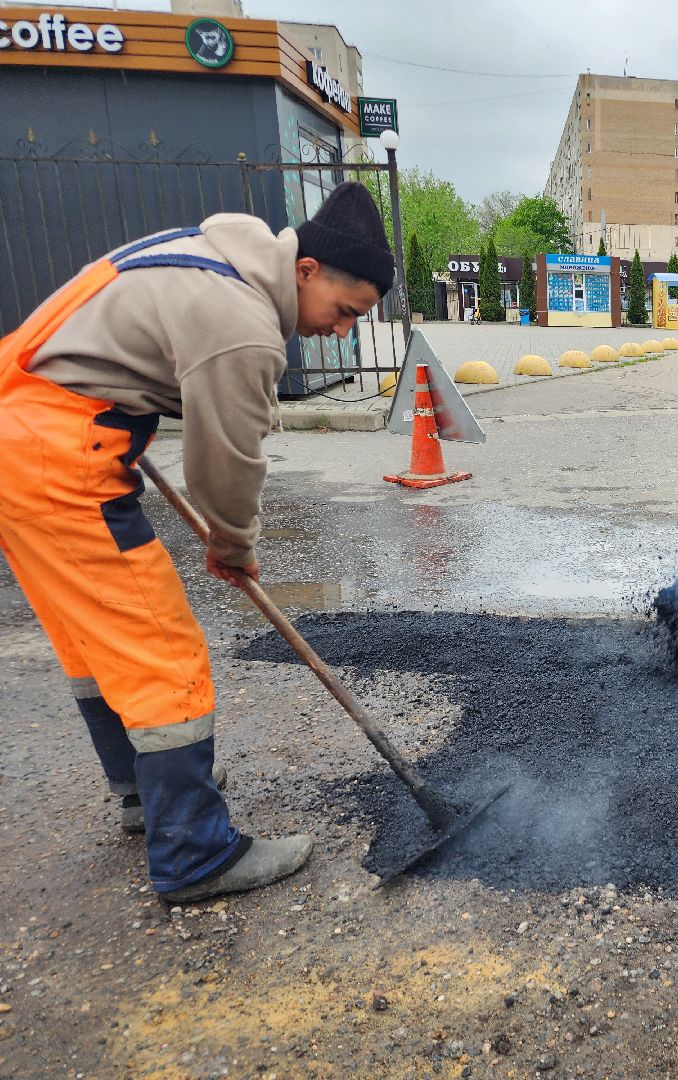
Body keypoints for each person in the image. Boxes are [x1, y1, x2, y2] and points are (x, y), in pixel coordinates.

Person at [0, 182, 392, 898]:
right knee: (160, 653)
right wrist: (233, 546)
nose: (341, 332)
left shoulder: (212, 254)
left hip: (23, 433)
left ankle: (146, 796)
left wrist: (109, 391)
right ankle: (193, 852)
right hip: (58, 458)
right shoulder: (242, 319)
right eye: (345, 312)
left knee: (98, 643)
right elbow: (228, 463)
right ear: (306, 269)